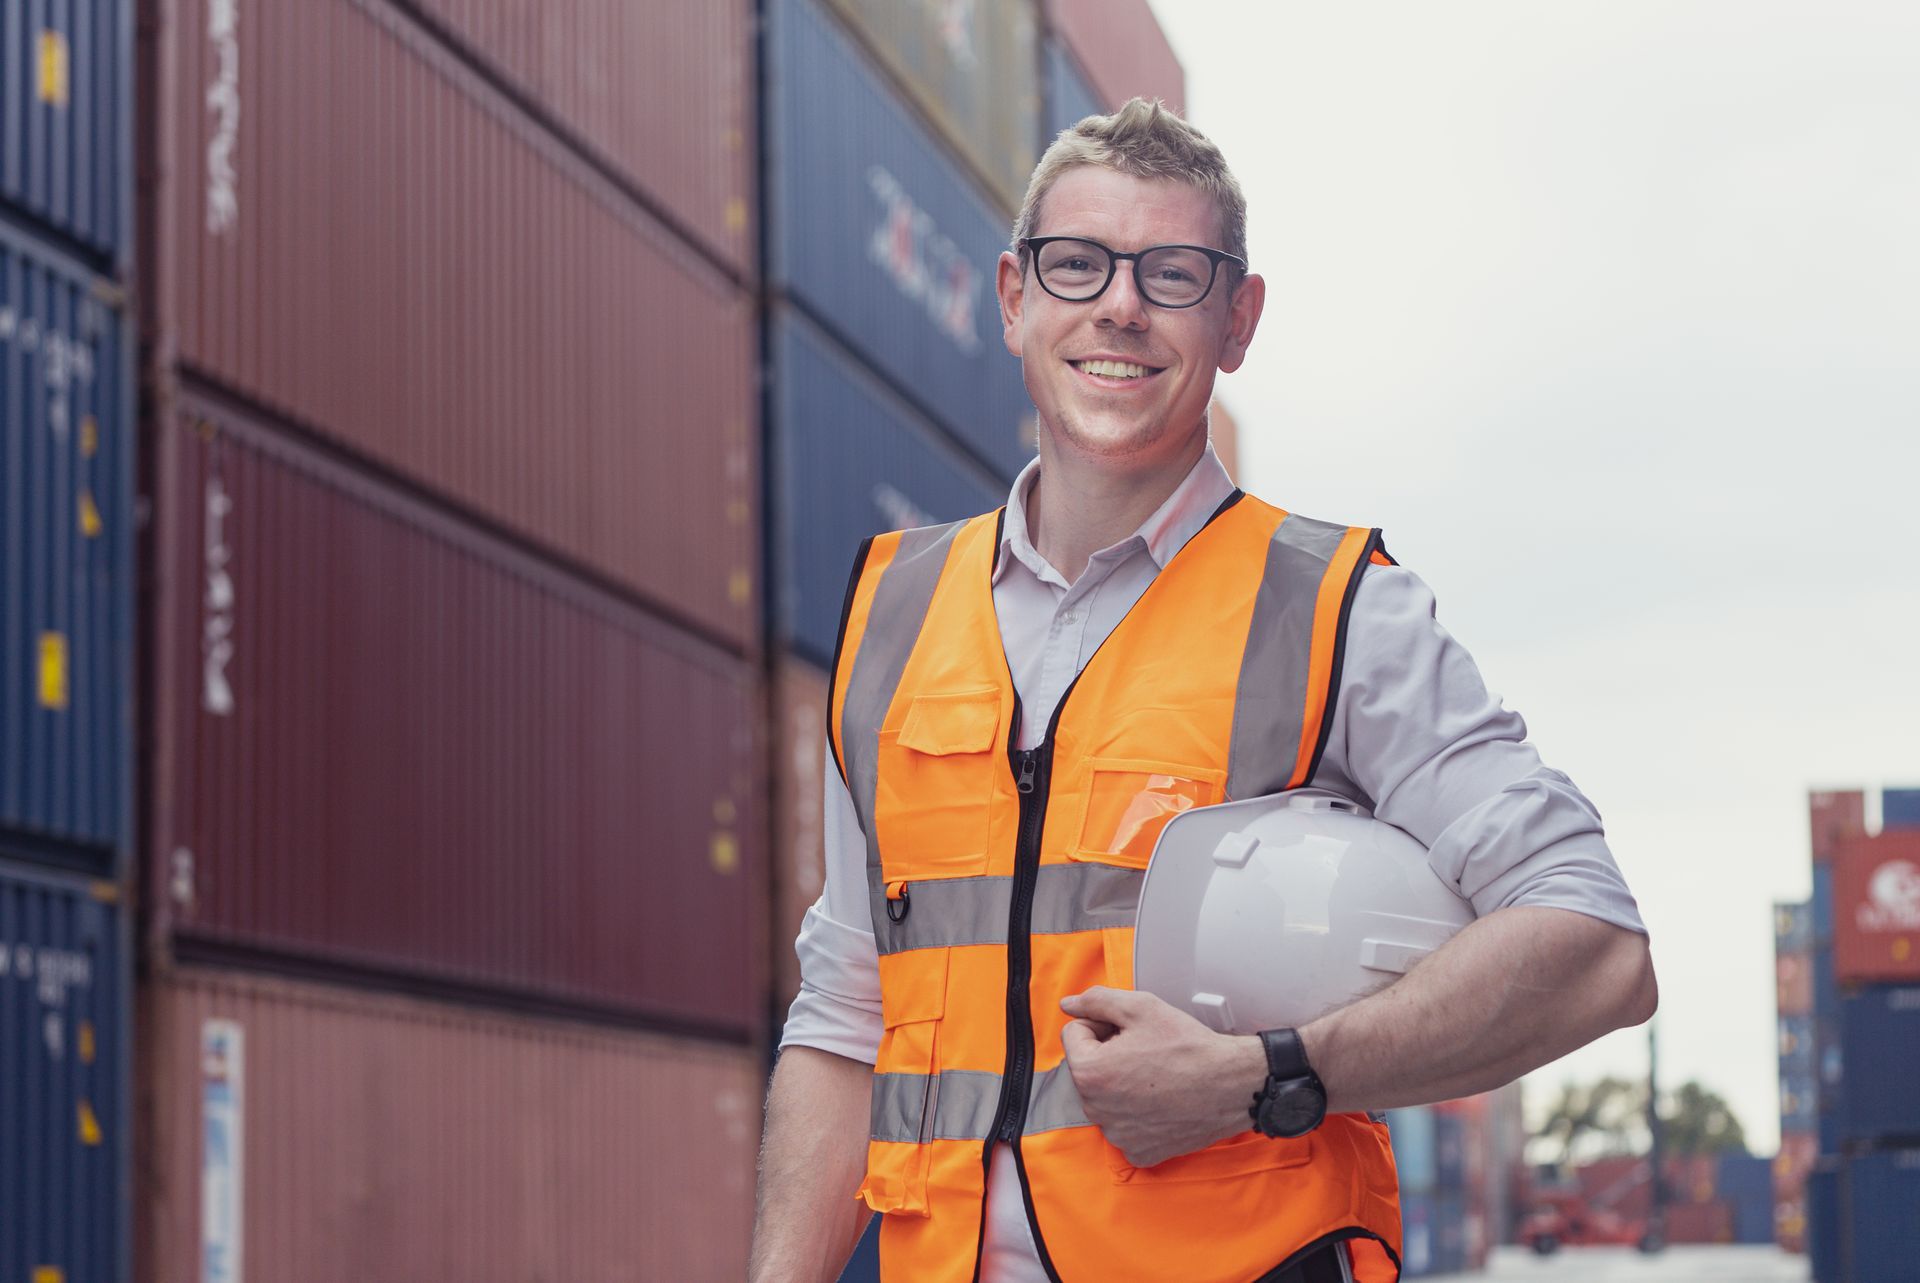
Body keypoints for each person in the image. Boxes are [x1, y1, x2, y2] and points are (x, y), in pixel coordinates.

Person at [749, 99, 1656, 1283]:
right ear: (1014, 297)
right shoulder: (896, 613)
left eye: (1172, 273)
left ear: (1239, 320)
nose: (1119, 305)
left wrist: (1268, 1073)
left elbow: (1598, 944)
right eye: (1080, 265)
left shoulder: (1333, 609)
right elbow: (842, 1018)